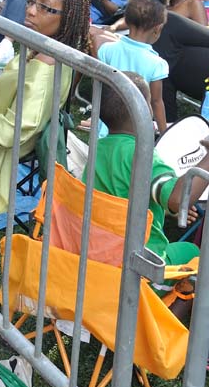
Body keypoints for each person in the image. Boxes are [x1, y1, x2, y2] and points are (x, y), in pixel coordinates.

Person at [0, 0, 91, 215]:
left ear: (67, 19)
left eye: (44, 8)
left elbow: (11, 131)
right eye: (31, 2)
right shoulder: (48, 49)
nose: (31, 12)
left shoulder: (44, 68)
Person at [85, 72, 208, 268]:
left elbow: (119, 198)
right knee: (193, 252)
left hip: (98, 250)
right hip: (141, 264)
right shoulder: (144, 156)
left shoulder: (98, 149)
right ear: (145, 109)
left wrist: (166, 210)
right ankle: (177, 298)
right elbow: (177, 201)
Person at [97, 0, 169, 134]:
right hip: (136, 132)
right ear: (158, 29)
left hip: (104, 128)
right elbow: (156, 102)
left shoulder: (106, 50)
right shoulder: (157, 64)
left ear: (127, 21)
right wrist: (164, 133)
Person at [146, 0, 209, 120]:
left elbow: (200, 36)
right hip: (174, 60)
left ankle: (163, 121)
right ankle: (164, 121)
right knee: (163, 64)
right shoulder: (153, 5)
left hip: (190, 56)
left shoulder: (191, 4)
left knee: (168, 26)